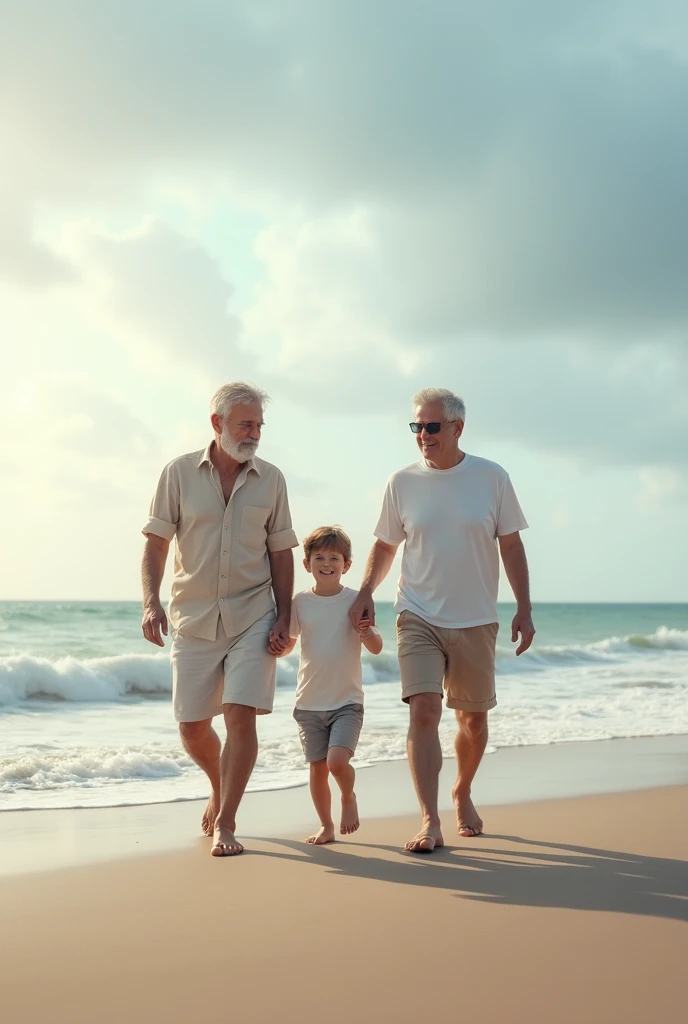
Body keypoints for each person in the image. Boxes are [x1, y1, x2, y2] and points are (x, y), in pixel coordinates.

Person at [350, 388, 535, 853]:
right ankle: (430, 819)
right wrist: (367, 591)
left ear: (457, 428)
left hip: (475, 617)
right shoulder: (401, 482)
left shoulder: (492, 478)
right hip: (418, 613)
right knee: (424, 709)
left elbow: (510, 546)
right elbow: (386, 544)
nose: (424, 436)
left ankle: (463, 790)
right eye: (417, 427)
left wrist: (525, 608)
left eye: (432, 427)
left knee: (472, 720)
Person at [141, 382, 298, 857]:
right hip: (192, 616)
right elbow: (156, 543)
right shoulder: (178, 474)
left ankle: (227, 821)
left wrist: (285, 615)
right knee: (191, 726)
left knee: (239, 714)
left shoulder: (271, 479)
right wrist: (151, 602)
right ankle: (218, 783)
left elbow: (282, 550)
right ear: (217, 423)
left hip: (254, 612)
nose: (253, 433)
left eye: (258, 425)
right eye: (244, 424)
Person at [274, 526, 383, 845]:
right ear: (306, 563)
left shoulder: (355, 600)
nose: (326, 563)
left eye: (334, 557)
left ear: (346, 565)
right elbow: (290, 643)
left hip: (347, 702)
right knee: (317, 768)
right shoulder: (299, 602)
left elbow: (376, 646)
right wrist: (277, 646)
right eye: (318, 557)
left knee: (337, 763)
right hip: (308, 703)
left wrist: (365, 632)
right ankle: (325, 825)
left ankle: (348, 797)